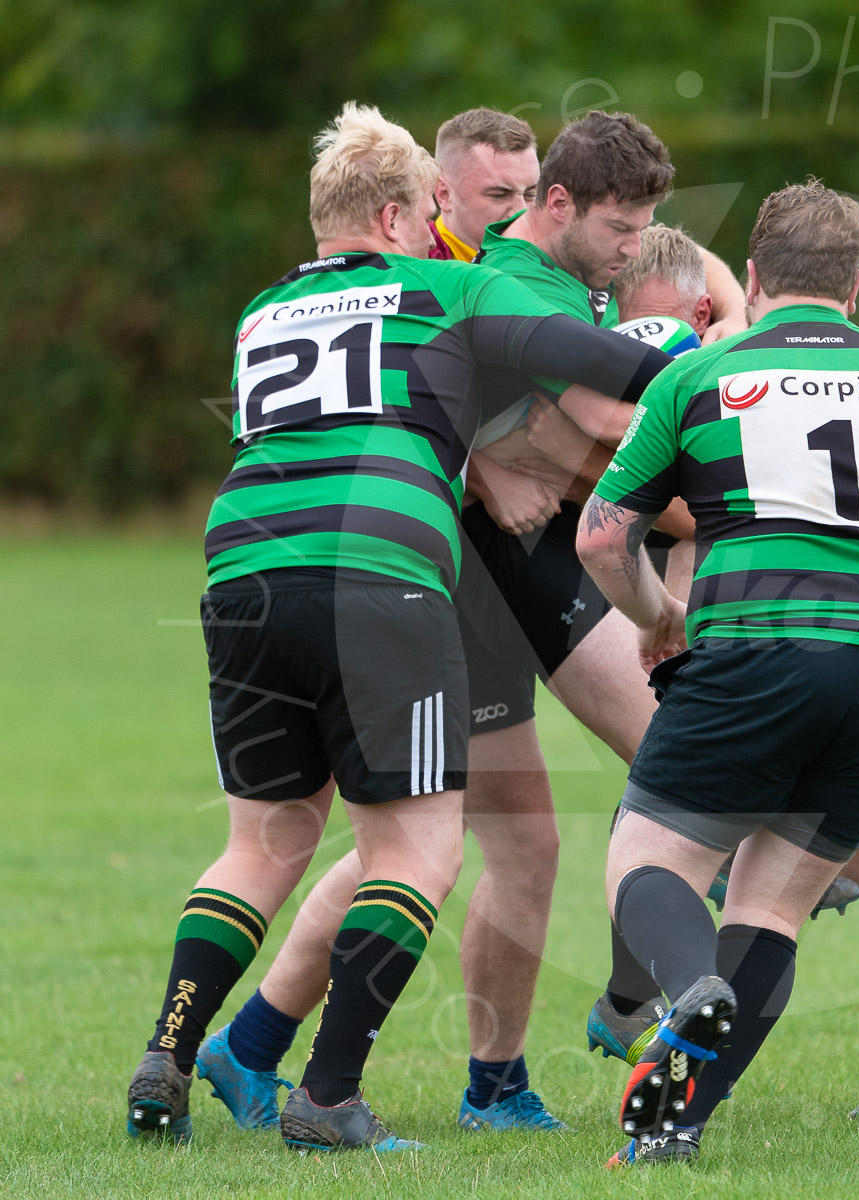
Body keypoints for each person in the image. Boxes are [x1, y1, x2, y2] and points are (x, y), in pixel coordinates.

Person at [124, 102, 673, 1152]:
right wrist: (708, 368)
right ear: (391, 213)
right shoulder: (445, 289)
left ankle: (169, 1058)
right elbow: (604, 366)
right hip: (379, 580)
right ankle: (327, 1098)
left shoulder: (261, 314)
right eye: (429, 210)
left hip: (240, 576)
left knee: (262, 843)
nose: (442, 226)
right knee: (418, 847)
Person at [576, 180, 859, 1166]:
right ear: (856, 286)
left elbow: (602, 537)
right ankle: (672, 1128)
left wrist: (659, 619)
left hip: (757, 638)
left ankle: (691, 989)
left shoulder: (700, 375)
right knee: (775, 902)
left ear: (750, 277)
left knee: (649, 861)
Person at [428, 107, 540, 262]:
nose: (522, 211)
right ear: (444, 195)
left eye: (530, 194)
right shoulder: (410, 271)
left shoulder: (559, 263)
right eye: (499, 195)